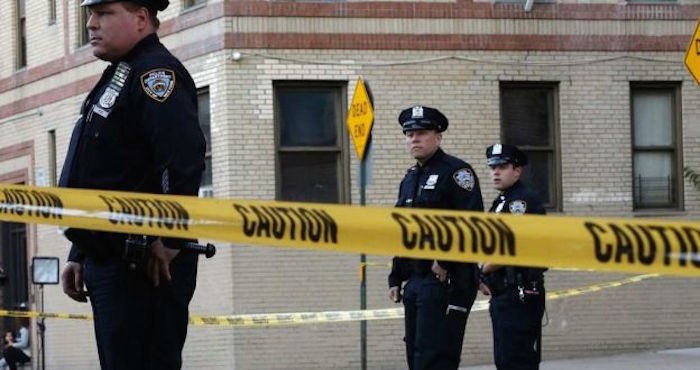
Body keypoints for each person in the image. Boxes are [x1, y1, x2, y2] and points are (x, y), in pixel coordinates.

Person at [58, 1, 206, 369]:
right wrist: (81, 251)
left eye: (104, 13)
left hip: (142, 265)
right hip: (109, 259)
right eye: (91, 14)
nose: (91, 24)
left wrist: (171, 238)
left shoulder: (156, 75)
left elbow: (182, 159)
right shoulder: (121, 73)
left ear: (141, 18)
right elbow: (105, 169)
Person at [388, 105, 484, 370]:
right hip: (416, 280)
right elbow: (404, 231)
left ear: (438, 137)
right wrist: (396, 276)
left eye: (421, 132)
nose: (414, 138)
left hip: (446, 279)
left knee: (436, 358)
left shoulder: (456, 172)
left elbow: (471, 223)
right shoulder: (410, 178)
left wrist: (444, 259)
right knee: (416, 357)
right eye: (409, 133)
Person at [479, 144, 547, 370]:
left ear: (517, 171)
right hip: (504, 293)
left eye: (503, 167)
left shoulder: (521, 202)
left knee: (516, 360)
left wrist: (483, 269)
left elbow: (516, 246)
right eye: (492, 167)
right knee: (505, 359)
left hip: (519, 293)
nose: (495, 172)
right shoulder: (502, 202)